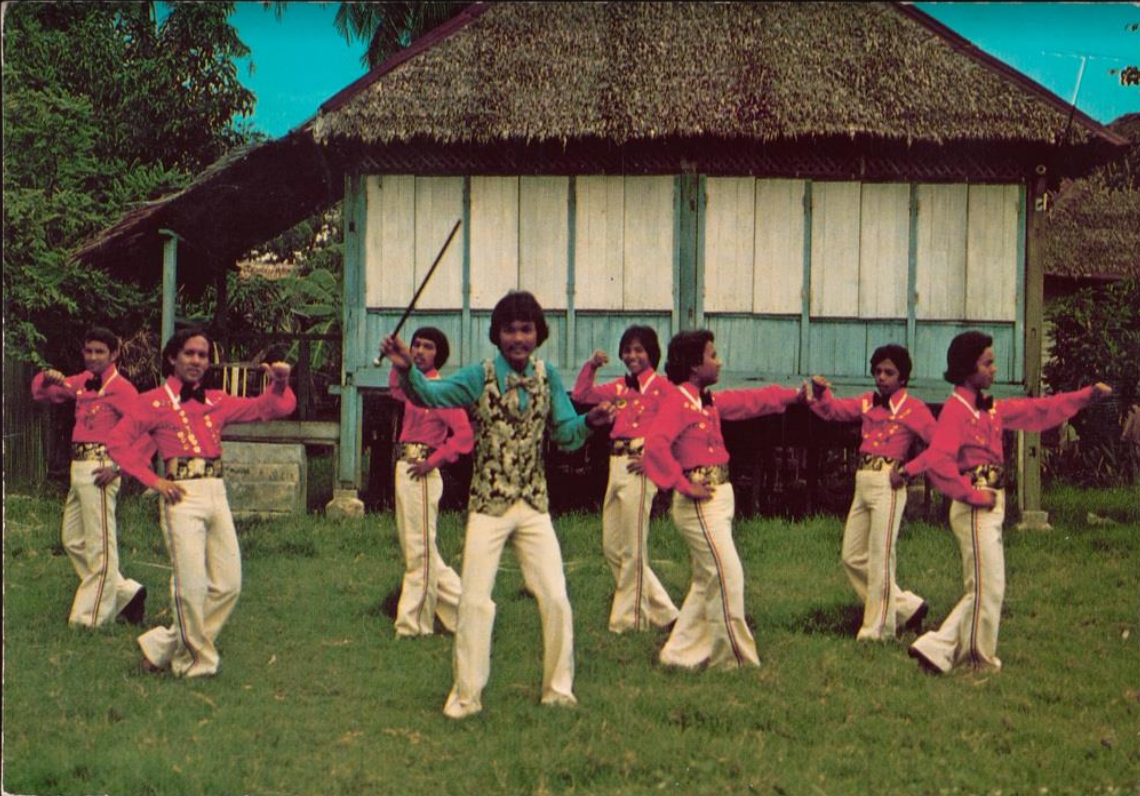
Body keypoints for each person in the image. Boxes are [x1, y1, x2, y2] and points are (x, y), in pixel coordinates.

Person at [380, 290, 614, 719]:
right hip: (488, 506)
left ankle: (558, 690)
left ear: (538, 334)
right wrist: (407, 368)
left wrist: (590, 423)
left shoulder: (549, 378)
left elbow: (564, 434)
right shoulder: (478, 375)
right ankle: (466, 696)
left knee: (557, 598)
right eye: (510, 329)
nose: (518, 338)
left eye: (526, 329)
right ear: (497, 334)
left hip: (533, 506)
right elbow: (433, 396)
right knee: (473, 601)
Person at [898, 330, 1112, 674]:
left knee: (987, 586)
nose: (994, 369)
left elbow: (1039, 411)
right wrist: (970, 495)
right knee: (986, 586)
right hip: (974, 504)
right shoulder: (956, 410)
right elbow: (938, 460)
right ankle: (977, 661)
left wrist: (1085, 397)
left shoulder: (991, 408)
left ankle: (939, 648)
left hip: (991, 502)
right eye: (988, 362)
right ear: (969, 368)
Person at [106, 327, 296, 678]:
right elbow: (117, 443)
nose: (197, 361)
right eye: (190, 353)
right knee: (190, 586)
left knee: (228, 584)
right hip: (181, 495)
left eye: (203, 355)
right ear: (172, 358)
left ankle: (162, 647)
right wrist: (155, 480)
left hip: (216, 492)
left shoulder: (216, 401)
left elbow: (268, 407)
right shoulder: (152, 402)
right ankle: (195, 664)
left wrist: (280, 383)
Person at [643, 329, 803, 669]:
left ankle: (678, 655)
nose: (719, 361)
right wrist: (683, 485)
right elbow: (654, 447)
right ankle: (735, 659)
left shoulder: (706, 400)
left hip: (719, 499)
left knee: (706, 580)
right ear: (693, 366)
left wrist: (796, 396)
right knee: (728, 575)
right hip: (700, 503)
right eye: (713, 355)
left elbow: (751, 402)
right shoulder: (678, 401)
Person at [807, 344, 936, 640]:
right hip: (862, 482)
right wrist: (821, 392)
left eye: (889, 372)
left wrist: (908, 470)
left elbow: (940, 445)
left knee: (880, 557)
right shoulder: (867, 402)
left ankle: (878, 630)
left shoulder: (913, 408)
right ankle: (907, 608)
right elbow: (833, 412)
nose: (881, 377)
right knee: (851, 556)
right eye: (877, 371)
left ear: (902, 378)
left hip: (887, 484)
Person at [32, 327, 148, 628]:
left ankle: (90, 618)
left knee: (100, 547)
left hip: (101, 467)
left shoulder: (121, 388)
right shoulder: (83, 382)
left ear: (114, 354)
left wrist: (119, 468)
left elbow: (146, 430)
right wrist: (48, 377)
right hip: (78, 467)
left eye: (100, 351)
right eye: (88, 350)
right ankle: (126, 594)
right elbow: (43, 393)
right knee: (72, 539)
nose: (93, 357)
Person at [571, 326, 679, 633]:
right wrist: (591, 366)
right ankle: (667, 614)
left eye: (639, 350)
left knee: (633, 546)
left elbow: (676, 426)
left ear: (652, 354)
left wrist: (654, 459)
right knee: (613, 547)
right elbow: (581, 395)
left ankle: (630, 622)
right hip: (615, 463)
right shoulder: (619, 388)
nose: (632, 356)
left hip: (640, 464)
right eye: (627, 351)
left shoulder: (663, 388)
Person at [387, 327, 474, 637]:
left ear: (439, 354)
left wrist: (433, 461)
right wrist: (398, 361)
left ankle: (414, 625)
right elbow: (397, 388)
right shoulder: (416, 386)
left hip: (421, 470)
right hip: (404, 467)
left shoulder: (443, 391)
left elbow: (464, 437)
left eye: (428, 347)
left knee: (420, 551)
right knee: (423, 551)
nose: (420, 351)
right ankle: (469, 615)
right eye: (416, 345)